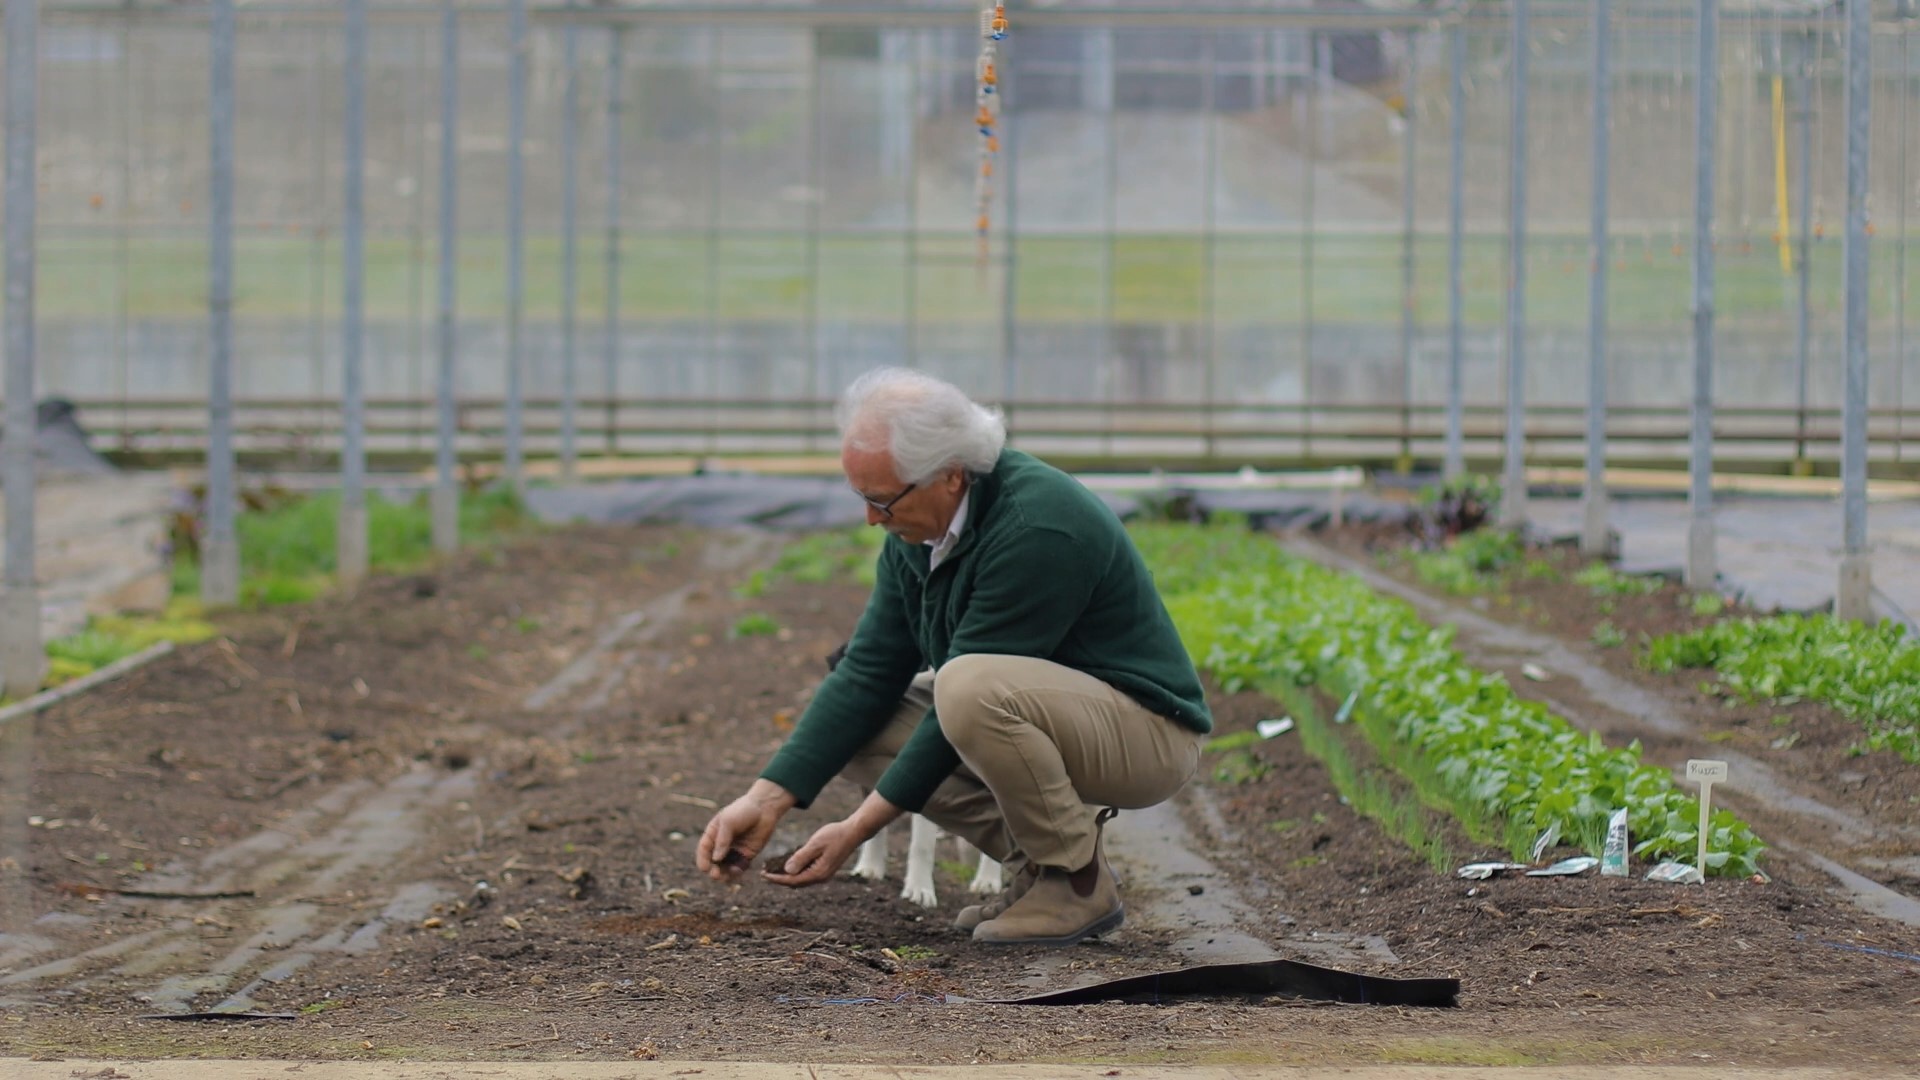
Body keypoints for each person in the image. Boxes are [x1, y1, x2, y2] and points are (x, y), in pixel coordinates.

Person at [695, 367, 1212, 946]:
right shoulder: (917, 535)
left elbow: (961, 708)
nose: (871, 518)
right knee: (864, 724)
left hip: (1144, 734)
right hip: (1052, 715)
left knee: (967, 685)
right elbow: (869, 671)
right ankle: (1041, 867)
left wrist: (856, 828)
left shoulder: (1036, 525)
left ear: (949, 476)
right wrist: (766, 798)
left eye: (882, 500)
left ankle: (1076, 880)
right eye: (862, 498)